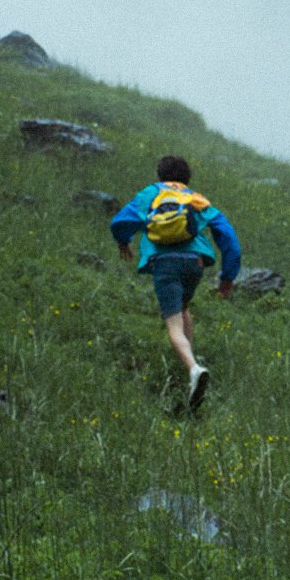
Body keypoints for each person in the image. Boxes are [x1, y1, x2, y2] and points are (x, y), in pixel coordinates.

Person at [110, 155, 241, 411]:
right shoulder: (196, 198)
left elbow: (120, 222)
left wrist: (123, 240)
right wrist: (228, 277)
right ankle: (191, 370)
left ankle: (193, 369)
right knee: (183, 307)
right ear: (187, 177)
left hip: (164, 262)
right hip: (195, 263)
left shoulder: (151, 193)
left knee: (173, 324)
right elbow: (228, 237)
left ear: (161, 175)